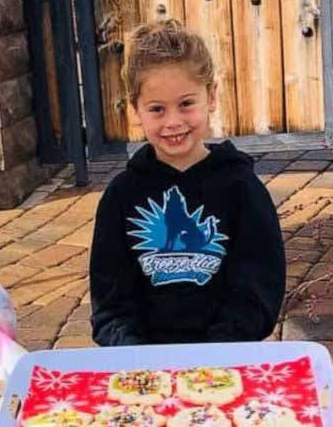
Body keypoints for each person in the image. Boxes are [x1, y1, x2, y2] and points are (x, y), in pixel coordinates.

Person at [89, 20, 286, 347]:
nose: (173, 122)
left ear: (211, 97)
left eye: (186, 104)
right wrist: (134, 354)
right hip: (142, 367)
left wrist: (215, 352)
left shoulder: (242, 188)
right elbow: (111, 302)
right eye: (156, 109)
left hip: (225, 360)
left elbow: (258, 290)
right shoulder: (120, 196)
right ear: (135, 109)